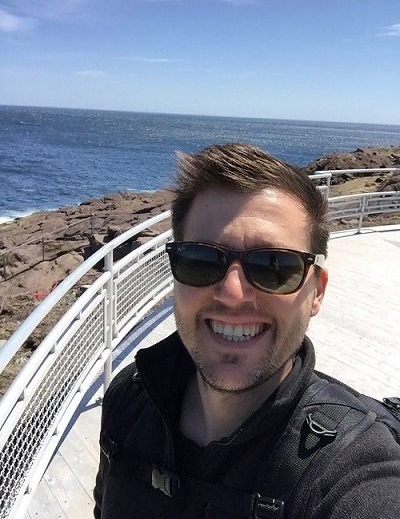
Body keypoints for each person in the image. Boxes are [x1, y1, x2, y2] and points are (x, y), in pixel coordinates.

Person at [94, 143, 400, 518]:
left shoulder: (352, 467)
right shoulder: (129, 397)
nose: (232, 293)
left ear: (316, 292)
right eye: (201, 259)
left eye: (275, 266)